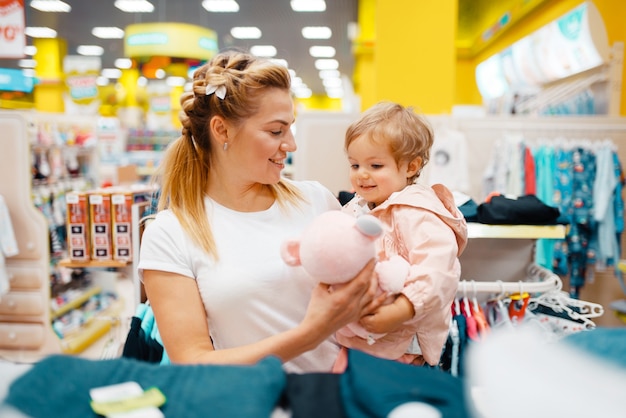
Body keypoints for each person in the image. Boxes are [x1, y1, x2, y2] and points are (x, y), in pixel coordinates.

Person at [137, 50, 383, 374]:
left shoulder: (315, 201)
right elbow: (193, 360)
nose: (291, 144)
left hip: (338, 398)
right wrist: (309, 335)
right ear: (222, 131)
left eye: (290, 128)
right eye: (276, 131)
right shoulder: (171, 233)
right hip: (252, 403)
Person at [335, 101, 468, 370]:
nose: (362, 175)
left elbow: (438, 271)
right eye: (355, 164)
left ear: (410, 167)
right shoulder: (357, 207)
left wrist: (402, 309)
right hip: (355, 337)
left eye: (375, 165)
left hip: (401, 344)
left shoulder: (418, 212)